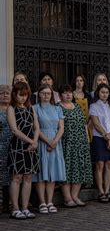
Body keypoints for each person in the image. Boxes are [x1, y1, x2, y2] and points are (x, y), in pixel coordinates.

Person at [7, 82, 40, 219]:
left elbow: (37, 127)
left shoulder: (31, 108)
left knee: (28, 177)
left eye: (25, 95)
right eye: (21, 95)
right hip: (18, 147)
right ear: (15, 94)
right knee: (17, 177)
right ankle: (15, 208)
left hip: (31, 147)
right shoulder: (11, 108)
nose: (23, 98)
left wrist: (35, 141)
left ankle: (25, 208)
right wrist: (31, 141)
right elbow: (14, 129)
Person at [32, 84, 66, 214]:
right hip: (42, 141)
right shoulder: (34, 108)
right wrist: (48, 142)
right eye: (43, 93)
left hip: (55, 142)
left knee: (52, 172)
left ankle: (50, 201)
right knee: (41, 172)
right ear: (38, 94)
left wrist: (55, 141)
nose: (46, 96)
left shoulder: (57, 109)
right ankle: (42, 202)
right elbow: (36, 128)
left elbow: (61, 127)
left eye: (48, 93)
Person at [58, 84, 93, 207]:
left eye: (69, 92)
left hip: (80, 142)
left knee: (78, 169)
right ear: (60, 95)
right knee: (67, 170)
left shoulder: (77, 106)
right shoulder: (58, 108)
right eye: (64, 92)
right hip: (66, 143)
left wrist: (86, 141)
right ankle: (67, 198)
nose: (68, 95)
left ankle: (75, 196)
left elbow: (84, 124)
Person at [90, 83, 110, 203]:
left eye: (106, 92)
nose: (105, 94)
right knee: (100, 164)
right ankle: (101, 192)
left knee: (109, 165)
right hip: (99, 138)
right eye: (102, 92)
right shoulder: (94, 106)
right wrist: (107, 136)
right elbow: (96, 124)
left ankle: (107, 191)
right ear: (98, 93)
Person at [0, 85, 12, 213]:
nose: (4, 95)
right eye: (2, 93)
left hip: (13, 146)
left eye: (7, 93)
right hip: (1, 146)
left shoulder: (13, 109)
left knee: (11, 176)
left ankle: (9, 202)